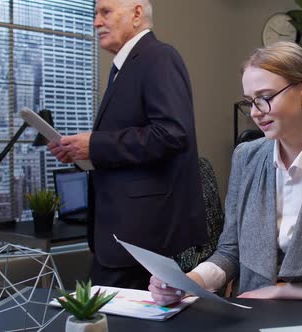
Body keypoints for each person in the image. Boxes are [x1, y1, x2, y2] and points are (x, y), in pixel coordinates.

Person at [149, 41, 302, 304]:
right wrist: (189, 281)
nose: (255, 113)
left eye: (265, 98)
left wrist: (286, 291)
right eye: (249, 102)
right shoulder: (246, 157)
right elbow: (230, 252)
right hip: (252, 317)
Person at [48, 0, 208, 290]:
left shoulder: (159, 57)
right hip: (120, 234)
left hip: (142, 239)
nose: (96, 22)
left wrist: (95, 145)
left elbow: (172, 133)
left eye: (105, 12)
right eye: (95, 14)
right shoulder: (124, 67)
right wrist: (82, 152)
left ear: (136, 13)